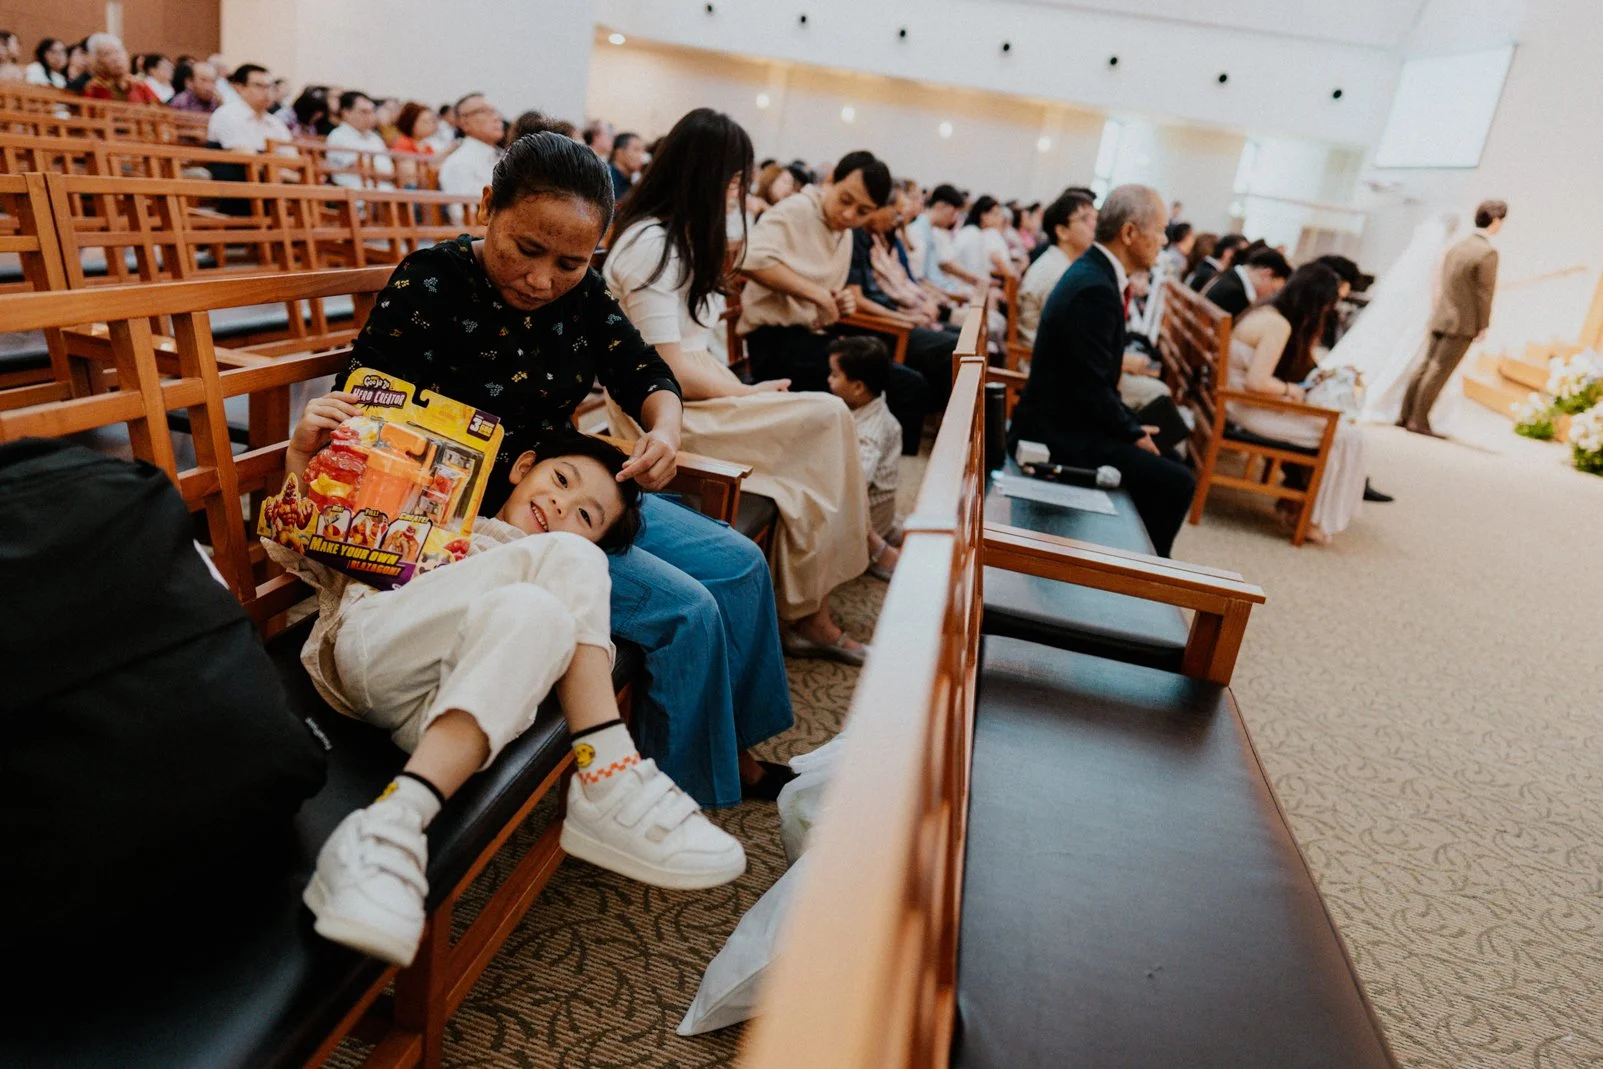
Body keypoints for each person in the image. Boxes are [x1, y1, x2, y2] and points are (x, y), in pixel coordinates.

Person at [343, 131, 795, 809]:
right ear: (488, 205)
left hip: (575, 486)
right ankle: (676, 787)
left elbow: (644, 368)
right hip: (492, 517)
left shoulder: (579, 297)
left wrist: (664, 427)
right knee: (687, 610)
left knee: (737, 564)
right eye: (526, 250)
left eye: (570, 262)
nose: (542, 280)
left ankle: (733, 746)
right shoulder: (431, 280)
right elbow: (366, 403)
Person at [275, 421, 745, 967]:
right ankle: (610, 774)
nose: (563, 505)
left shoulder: (560, 592)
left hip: (452, 717)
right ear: (524, 468)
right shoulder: (444, 510)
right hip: (380, 651)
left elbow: (562, 642)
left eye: (587, 516)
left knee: (539, 610)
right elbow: (304, 539)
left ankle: (388, 826)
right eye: (561, 479)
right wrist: (299, 455)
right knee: (567, 558)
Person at [603, 108, 874, 668]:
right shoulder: (651, 242)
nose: (735, 196)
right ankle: (809, 609)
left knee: (821, 430)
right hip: (661, 413)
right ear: (700, 176)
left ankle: (807, 602)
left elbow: (697, 350)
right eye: (731, 182)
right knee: (824, 416)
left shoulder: (681, 237)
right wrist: (749, 397)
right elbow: (666, 366)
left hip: (702, 393)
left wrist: (746, 391)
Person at [1007, 184, 1195, 558]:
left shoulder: (1097, 274)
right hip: (1056, 431)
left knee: (1170, 454)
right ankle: (1139, 578)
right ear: (1129, 233)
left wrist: (1130, 426)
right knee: (1176, 482)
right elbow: (1087, 386)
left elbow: (1090, 378)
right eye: (1159, 231)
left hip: (1070, 415)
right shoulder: (1095, 287)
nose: (1163, 241)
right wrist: (1128, 430)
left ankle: (1129, 561)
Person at [738, 151, 936, 456]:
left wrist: (837, 301)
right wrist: (817, 295)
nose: (849, 216)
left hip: (809, 338)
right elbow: (750, 260)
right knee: (904, 386)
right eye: (845, 200)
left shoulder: (844, 232)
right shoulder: (796, 210)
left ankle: (877, 474)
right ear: (831, 181)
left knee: (905, 378)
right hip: (774, 345)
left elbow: (823, 295)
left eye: (862, 211)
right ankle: (882, 480)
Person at [1228, 264, 1367, 543]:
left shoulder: (1266, 310)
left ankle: (1301, 507)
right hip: (1244, 408)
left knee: (1341, 431)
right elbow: (1257, 383)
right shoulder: (1278, 325)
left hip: (1236, 402)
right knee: (1343, 435)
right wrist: (1294, 390)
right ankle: (1312, 519)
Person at [1325, 212, 1462, 426]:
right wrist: (1437, 305)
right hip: (1421, 305)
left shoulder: (1417, 252)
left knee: (1384, 343)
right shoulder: (1440, 250)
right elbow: (1436, 280)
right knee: (1405, 350)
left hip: (1403, 302)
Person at [1396, 200, 1508, 437]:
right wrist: (1483, 324)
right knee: (1439, 370)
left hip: (1441, 315)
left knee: (1426, 365)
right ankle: (1419, 419)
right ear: (1496, 221)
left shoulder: (1458, 246)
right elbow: (1484, 293)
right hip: (1462, 321)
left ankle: (1405, 414)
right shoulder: (1487, 252)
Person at [827, 337, 903, 578]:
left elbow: (854, 484)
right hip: (882, 507)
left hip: (868, 517)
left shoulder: (869, 435)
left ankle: (876, 551)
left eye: (834, 375)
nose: (828, 379)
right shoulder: (871, 403)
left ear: (859, 387)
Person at [1018, 188, 1096, 346]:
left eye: (1095, 218)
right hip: (1036, 362)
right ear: (1062, 231)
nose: (1094, 226)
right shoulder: (1055, 272)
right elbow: (1068, 336)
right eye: (1085, 219)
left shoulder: (1061, 263)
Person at [207, 64, 294, 153]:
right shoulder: (226, 115)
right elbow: (244, 155)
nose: (267, 92)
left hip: (271, 165)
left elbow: (292, 158)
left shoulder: (275, 122)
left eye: (269, 87)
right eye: (259, 86)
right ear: (239, 88)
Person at [437, 92, 503, 198]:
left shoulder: (505, 156)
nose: (496, 117)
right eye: (484, 112)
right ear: (464, 123)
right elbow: (462, 212)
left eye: (494, 111)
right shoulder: (458, 163)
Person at [326, 91, 395, 190]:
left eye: (372, 112)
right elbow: (360, 167)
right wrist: (381, 174)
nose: (370, 116)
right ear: (346, 113)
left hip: (384, 191)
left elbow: (390, 171)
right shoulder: (338, 136)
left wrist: (383, 174)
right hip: (356, 194)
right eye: (364, 112)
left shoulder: (375, 138)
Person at [1201, 246, 1291, 318]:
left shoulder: (1229, 276)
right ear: (1266, 274)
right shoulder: (1236, 295)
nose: (1270, 295)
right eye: (1273, 290)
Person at [921, 183, 977, 296]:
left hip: (940, 290)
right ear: (940, 206)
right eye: (953, 213)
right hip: (933, 294)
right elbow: (921, 277)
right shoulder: (921, 229)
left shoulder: (930, 229)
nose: (954, 218)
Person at [80, 34, 159, 104]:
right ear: (97, 62)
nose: (116, 58)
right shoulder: (94, 88)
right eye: (107, 54)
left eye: (118, 52)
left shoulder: (139, 85)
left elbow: (161, 112)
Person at [953, 195, 1015, 282]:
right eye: (995, 214)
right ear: (983, 215)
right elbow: (974, 269)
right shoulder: (973, 234)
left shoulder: (979, 233)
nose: (1000, 219)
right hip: (965, 284)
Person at [608, 132, 645, 200]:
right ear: (619, 152)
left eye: (643, 151)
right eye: (636, 150)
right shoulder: (606, 179)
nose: (641, 156)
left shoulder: (630, 181)